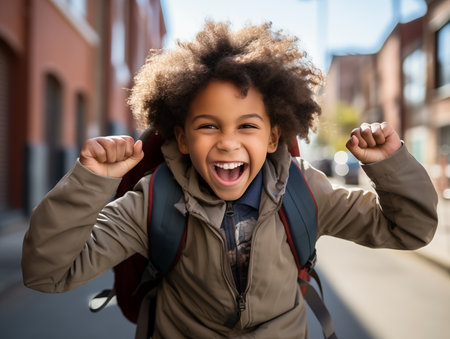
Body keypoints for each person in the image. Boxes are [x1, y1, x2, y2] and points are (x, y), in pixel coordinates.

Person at [22, 21, 438, 339]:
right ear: (182, 138)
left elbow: (411, 229)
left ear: (274, 135)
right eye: (208, 126)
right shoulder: (150, 200)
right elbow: (47, 271)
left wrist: (392, 166)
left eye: (247, 126)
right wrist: (89, 181)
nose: (227, 142)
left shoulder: (304, 190)